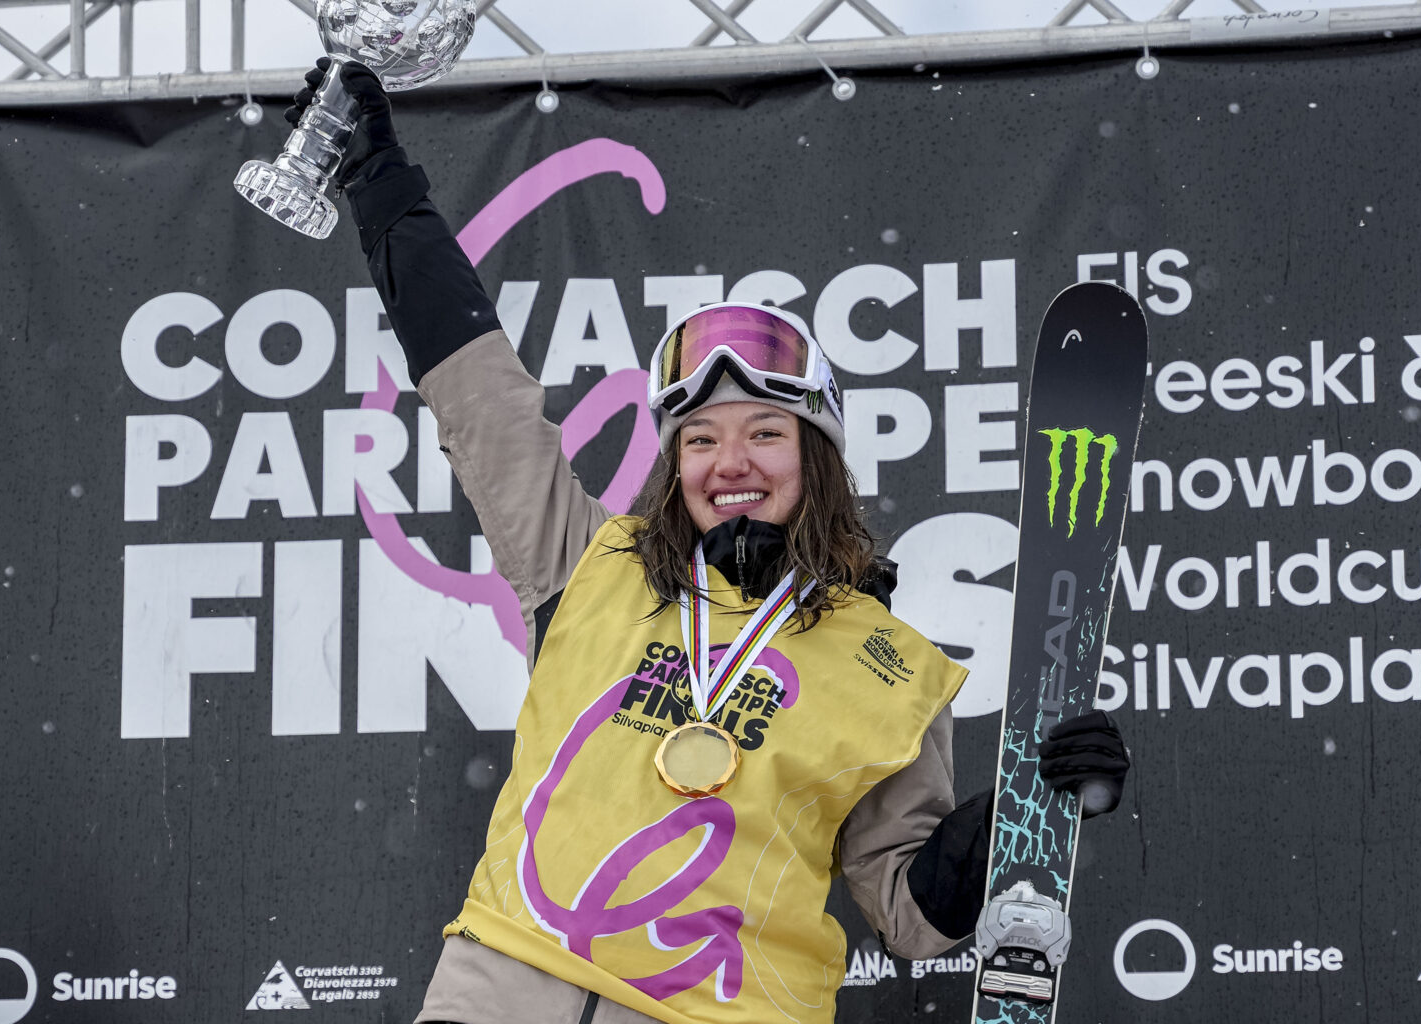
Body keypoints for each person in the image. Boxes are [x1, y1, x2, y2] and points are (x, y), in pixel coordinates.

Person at [286, 60, 1132, 1024]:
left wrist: (1024, 808)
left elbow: (910, 918)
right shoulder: (586, 565)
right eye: (700, 438)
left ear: (816, 459)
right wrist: (385, 191)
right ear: (673, 463)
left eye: (766, 431)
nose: (731, 459)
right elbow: (484, 402)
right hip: (500, 989)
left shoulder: (894, 669)